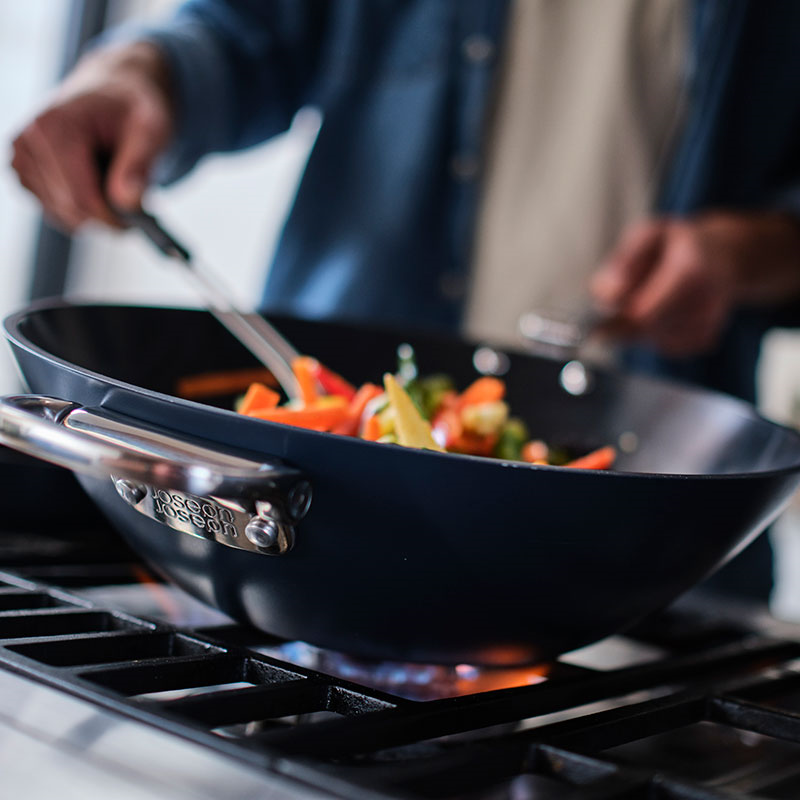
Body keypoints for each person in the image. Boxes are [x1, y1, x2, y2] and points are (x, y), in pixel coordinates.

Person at [11, 0, 800, 601]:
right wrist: (142, 71)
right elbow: (249, 28)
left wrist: (751, 253)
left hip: (649, 557)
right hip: (318, 500)